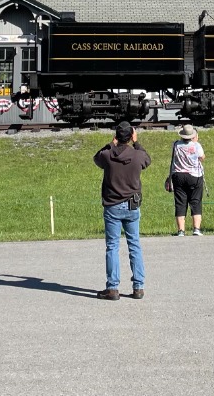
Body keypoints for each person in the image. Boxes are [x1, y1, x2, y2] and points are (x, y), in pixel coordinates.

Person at [93, 121, 150, 300]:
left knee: (112, 246)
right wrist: (137, 142)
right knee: (134, 245)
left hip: (112, 205)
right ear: (131, 136)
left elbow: (97, 158)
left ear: (116, 136)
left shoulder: (108, 154)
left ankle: (113, 287)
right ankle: (138, 287)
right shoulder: (138, 155)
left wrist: (111, 144)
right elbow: (147, 159)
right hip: (132, 205)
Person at [170, 123, 206, 236]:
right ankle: (196, 229)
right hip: (195, 175)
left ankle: (181, 230)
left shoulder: (176, 145)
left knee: (180, 202)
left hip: (178, 175)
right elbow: (202, 157)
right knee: (196, 201)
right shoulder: (196, 145)